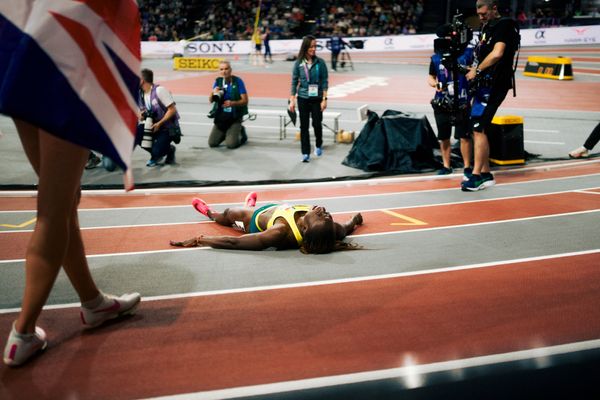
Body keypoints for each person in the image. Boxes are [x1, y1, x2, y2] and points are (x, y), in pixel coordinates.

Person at [170, 192, 363, 254]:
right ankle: (248, 204)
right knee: (243, 209)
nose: (323, 211)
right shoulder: (331, 229)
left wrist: (200, 239)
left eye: (321, 216)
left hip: (255, 220)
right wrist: (356, 220)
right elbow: (346, 227)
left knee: (230, 214)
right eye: (327, 214)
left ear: (304, 228)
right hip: (277, 208)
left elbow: (235, 242)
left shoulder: (279, 232)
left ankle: (210, 213)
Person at [461, 0, 520, 191]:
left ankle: (476, 176)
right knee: (477, 128)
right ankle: (485, 173)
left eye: (484, 14)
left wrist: (477, 71)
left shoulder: (505, 25)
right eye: (479, 15)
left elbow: (497, 54)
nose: (481, 17)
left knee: (478, 127)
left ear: (495, 8)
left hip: (494, 86)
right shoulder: (488, 26)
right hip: (484, 85)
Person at [428, 24, 474, 177]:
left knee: (465, 136)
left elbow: (475, 69)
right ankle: (446, 166)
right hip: (442, 102)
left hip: (462, 101)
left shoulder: (467, 54)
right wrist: (436, 84)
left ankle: (467, 166)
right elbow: (430, 77)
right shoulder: (435, 58)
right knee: (444, 137)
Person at [289, 35, 329, 163]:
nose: (313, 49)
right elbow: (294, 82)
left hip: (317, 98)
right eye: (311, 46)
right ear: (305, 47)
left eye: (315, 46)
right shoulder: (298, 63)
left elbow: (324, 81)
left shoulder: (320, 63)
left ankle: (318, 144)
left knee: (317, 124)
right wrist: (292, 99)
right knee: (304, 126)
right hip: (303, 98)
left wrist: (324, 99)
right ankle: (305, 152)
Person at [138, 68, 181, 167]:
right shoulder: (140, 94)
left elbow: (172, 110)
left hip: (167, 127)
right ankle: (155, 153)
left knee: (158, 151)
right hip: (152, 125)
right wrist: (141, 115)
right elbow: (142, 111)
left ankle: (168, 150)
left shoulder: (159, 90)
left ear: (142, 80)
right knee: (136, 134)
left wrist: (159, 123)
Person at [208, 60, 249, 149]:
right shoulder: (218, 81)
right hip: (222, 116)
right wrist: (212, 92)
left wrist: (232, 103)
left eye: (226, 69)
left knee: (231, 145)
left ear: (230, 70)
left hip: (234, 116)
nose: (224, 71)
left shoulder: (238, 81)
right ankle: (228, 133)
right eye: (221, 69)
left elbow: (245, 100)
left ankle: (241, 131)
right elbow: (211, 100)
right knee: (212, 143)